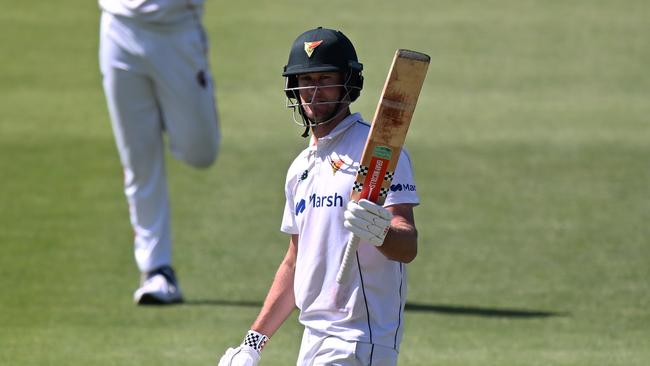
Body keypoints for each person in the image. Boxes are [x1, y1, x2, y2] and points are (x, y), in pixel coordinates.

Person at [218, 27, 419, 366]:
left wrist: (380, 231)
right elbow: (295, 261)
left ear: (348, 83)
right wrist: (252, 344)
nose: (313, 91)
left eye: (325, 78)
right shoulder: (300, 168)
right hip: (312, 339)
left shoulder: (378, 150)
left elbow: (408, 245)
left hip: (359, 338)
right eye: (305, 80)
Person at [98, 0, 220, 305]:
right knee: (139, 161)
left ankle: (172, 115)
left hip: (177, 28)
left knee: (200, 151)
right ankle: (156, 270)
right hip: (119, 26)